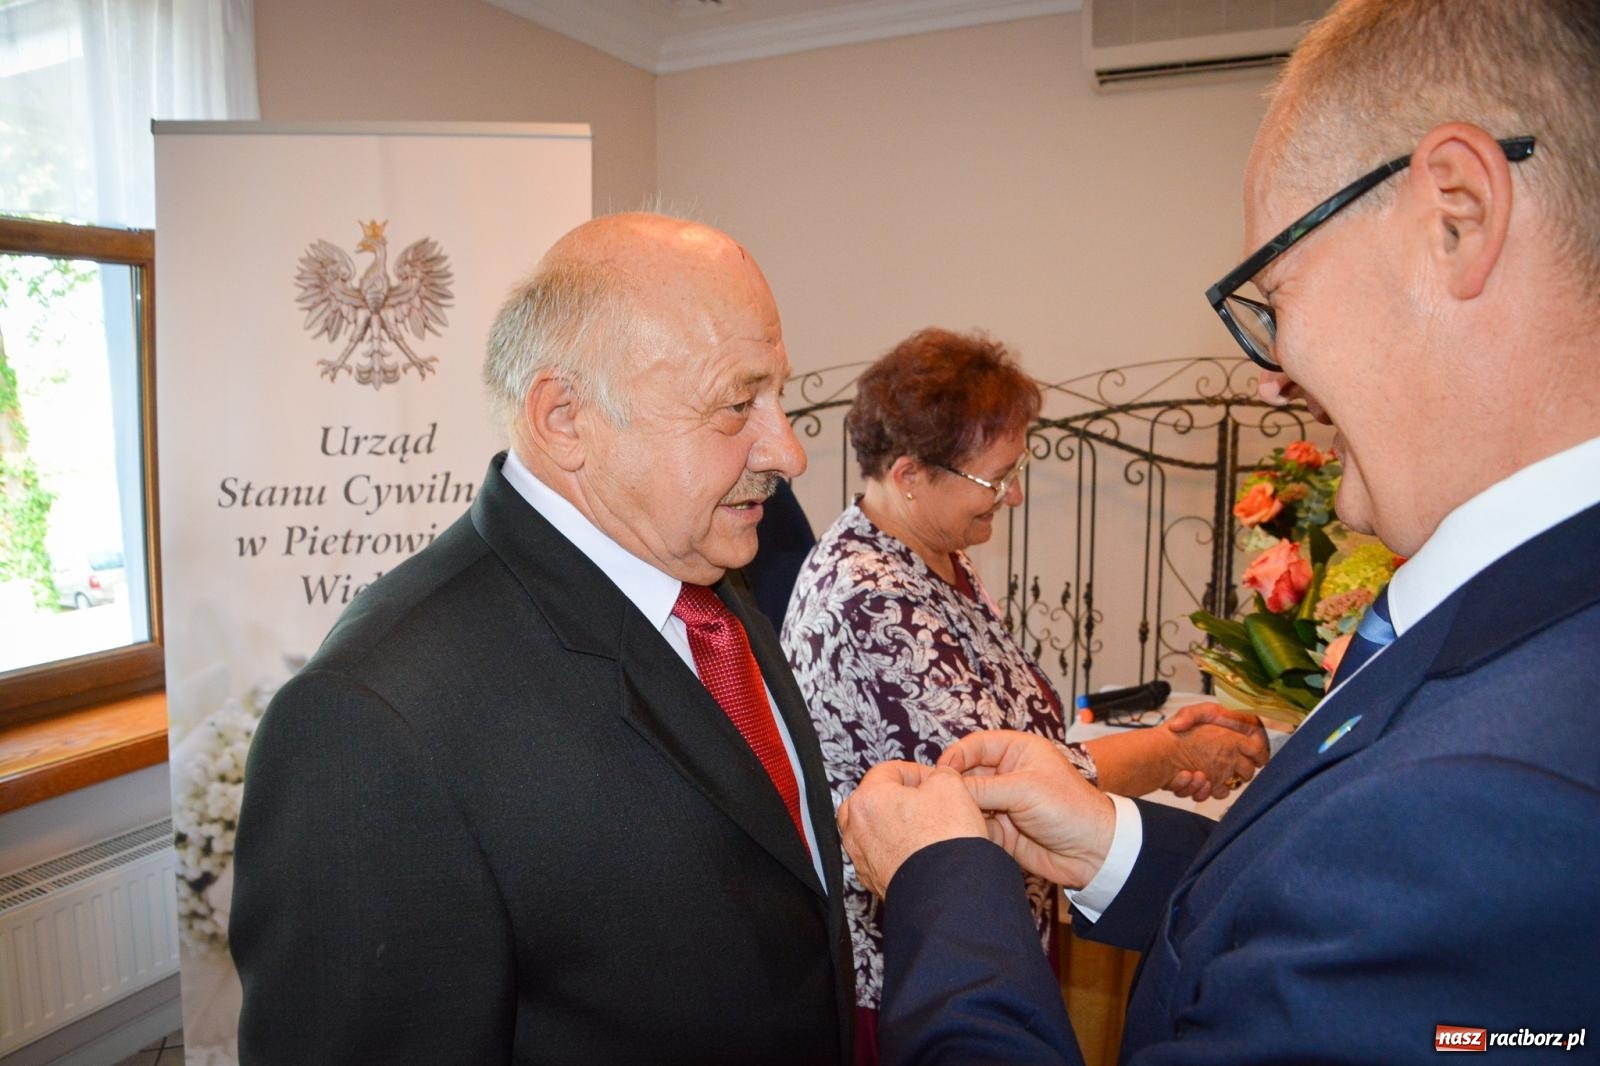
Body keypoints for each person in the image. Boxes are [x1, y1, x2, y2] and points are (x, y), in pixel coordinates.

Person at [838, 1, 1600, 1062]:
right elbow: (1319, 919)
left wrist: (942, 885)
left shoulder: (1497, 796)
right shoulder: (1518, 626)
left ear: (1455, 216)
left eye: (1273, 293)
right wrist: (1106, 843)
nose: (1268, 372)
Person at [230, 213, 854, 1064]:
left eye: (778, 394)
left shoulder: (701, 560)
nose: (787, 451)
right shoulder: (371, 723)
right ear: (565, 419)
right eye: (737, 403)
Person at [782, 328, 1268, 1060]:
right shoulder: (869, 599)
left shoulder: (936, 554)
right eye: (993, 478)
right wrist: (1170, 754)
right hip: (914, 969)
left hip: (988, 926)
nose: (1011, 494)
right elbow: (996, 789)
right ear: (911, 473)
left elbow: (1024, 741)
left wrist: (1157, 746)